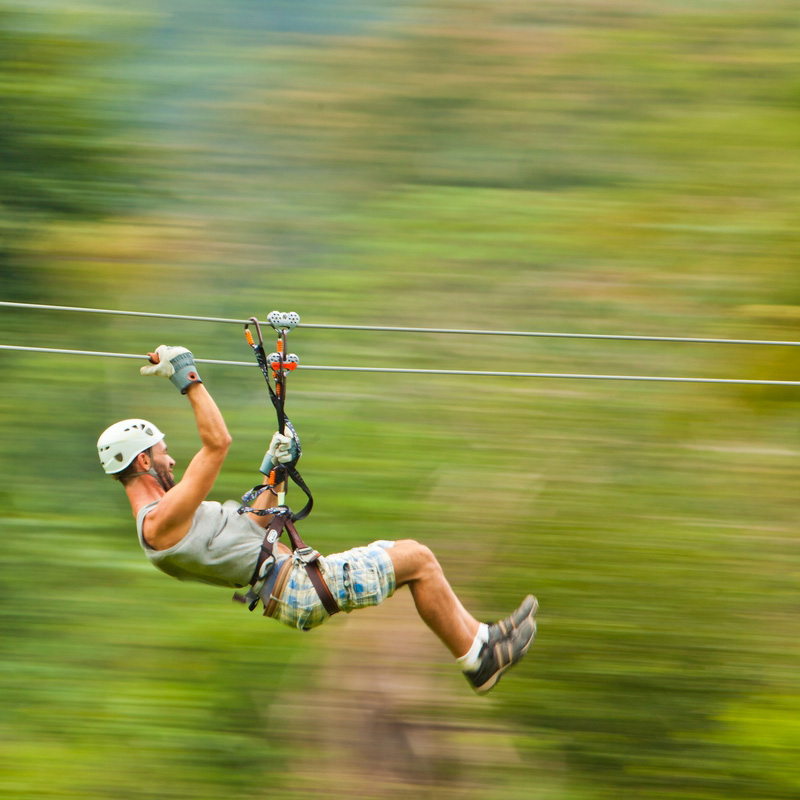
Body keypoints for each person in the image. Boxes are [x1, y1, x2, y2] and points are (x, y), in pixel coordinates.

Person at [97, 345, 537, 694]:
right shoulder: (159, 524)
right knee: (417, 558)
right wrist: (187, 377)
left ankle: (480, 641)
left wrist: (277, 470)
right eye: (161, 453)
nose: (171, 459)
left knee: (400, 555)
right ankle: (477, 657)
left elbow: (256, 526)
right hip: (300, 586)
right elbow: (217, 443)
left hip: (296, 584)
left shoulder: (176, 520)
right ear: (142, 462)